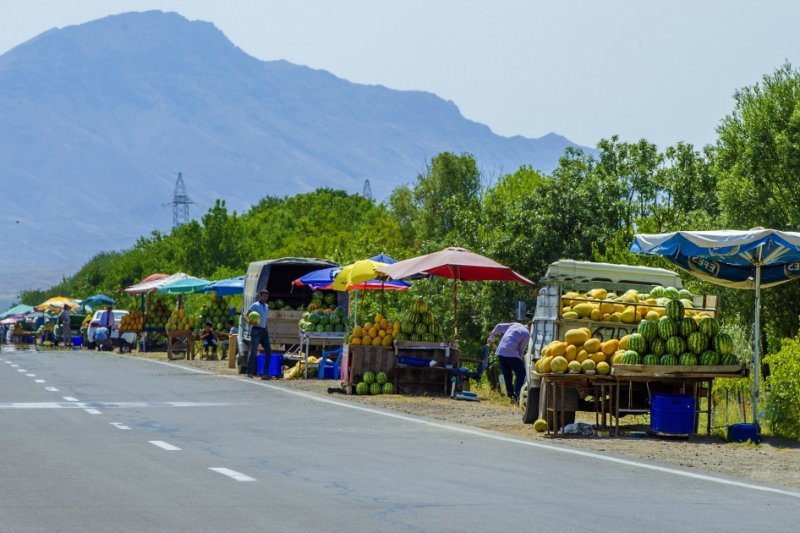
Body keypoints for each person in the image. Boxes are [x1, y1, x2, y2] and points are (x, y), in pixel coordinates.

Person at [486, 317, 531, 402]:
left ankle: (511, 395)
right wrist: (519, 361)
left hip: (501, 352)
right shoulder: (527, 334)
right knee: (522, 373)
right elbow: (521, 350)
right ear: (531, 327)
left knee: (507, 375)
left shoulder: (516, 325)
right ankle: (517, 395)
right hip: (511, 353)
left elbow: (498, 326)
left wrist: (492, 337)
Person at [245, 289, 271, 379]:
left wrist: (266, 329)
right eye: (263, 296)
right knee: (253, 352)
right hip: (256, 330)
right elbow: (245, 315)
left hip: (264, 331)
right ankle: (249, 372)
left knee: (269, 351)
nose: (265, 298)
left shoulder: (267, 306)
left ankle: (265, 373)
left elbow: (265, 319)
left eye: (266, 296)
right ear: (260, 296)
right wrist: (250, 322)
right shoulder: (255, 305)